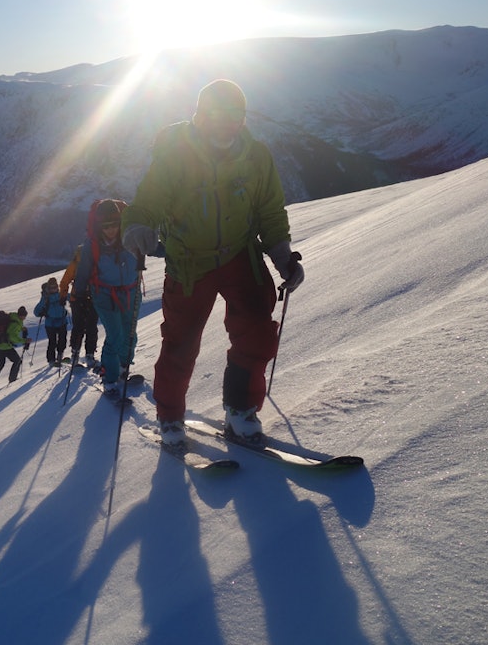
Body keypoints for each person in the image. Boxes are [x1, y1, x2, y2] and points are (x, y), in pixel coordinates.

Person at [120, 79, 305, 446]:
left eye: (234, 115)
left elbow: (269, 210)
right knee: (181, 342)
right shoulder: (176, 156)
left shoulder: (256, 157)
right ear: (200, 116)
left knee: (256, 331)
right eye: (217, 115)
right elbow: (149, 201)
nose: (226, 123)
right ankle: (170, 416)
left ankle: (240, 410)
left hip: (240, 255)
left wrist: (282, 256)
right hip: (190, 263)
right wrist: (137, 227)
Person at [73, 199, 142, 398]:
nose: (111, 230)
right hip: (104, 294)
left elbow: (151, 247)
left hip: (130, 292)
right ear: (99, 226)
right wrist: (78, 293)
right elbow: (84, 271)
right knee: (115, 336)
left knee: (130, 334)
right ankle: (109, 377)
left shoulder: (130, 238)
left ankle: (122, 366)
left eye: (114, 225)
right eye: (106, 226)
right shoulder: (92, 245)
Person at [59, 245, 99, 369]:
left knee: (78, 326)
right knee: (91, 327)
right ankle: (90, 354)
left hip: (76, 299)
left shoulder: (75, 263)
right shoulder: (98, 262)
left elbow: (65, 281)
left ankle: (75, 353)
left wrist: (63, 296)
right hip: (93, 298)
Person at [0, 305, 30, 392]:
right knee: (17, 360)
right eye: (24, 316)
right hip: (6, 347)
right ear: (21, 315)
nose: (24, 318)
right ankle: (12, 380)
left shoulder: (12, 317)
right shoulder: (15, 322)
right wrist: (24, 340)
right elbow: (12, 337)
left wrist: (21, 328)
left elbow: (10, 330)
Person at [33, 277, 69, 367]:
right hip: (51, 324)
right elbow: (36, 311)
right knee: (52, 342)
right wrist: (41, 312)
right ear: (48, 288)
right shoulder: (46, 298)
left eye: (55, 287)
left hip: (60, 322)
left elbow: (72, 297)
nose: (54, 289)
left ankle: (59, 356)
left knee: (62, 340)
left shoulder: (61, 294)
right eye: (52, 287)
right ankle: (52, 360)